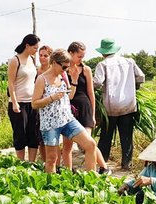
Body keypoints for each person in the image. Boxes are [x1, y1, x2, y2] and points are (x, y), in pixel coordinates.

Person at [32, 49, 96, 173]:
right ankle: (50, 188)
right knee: (52, 159)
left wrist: (75, 80)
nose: (66, 69)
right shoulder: (42, 79)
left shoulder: (63, 76)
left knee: (90, 144)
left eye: (67, 67)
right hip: (50, 124)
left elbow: (70, 96)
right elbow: (34, 103)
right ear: (54, 63)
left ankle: (91, 181)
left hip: (67, 119)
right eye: (64, 66)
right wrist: (52, 98)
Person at [93, 38, 145, 170]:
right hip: (128, 105)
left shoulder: (102, 64)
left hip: (111, 107)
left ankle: (102, 164)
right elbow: (141, 77)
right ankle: (126, 164)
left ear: (103, 52)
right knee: (126, 136)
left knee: (105, 136)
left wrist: (91, 90)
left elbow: (97, 82)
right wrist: (134, 88)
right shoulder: (129, 61)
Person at [62, 41, 110, 174]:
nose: (81, 59)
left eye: (83, 56)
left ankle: (103, 167)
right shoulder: (64, 70)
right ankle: (68, 171)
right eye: (79, 56)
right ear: (70, 53)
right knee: (67, 145)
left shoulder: (86, 69)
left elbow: (91, 93)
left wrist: (93, 114)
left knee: (88, 142)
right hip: (68, 109)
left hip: (84, 109)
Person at [8, 33, 40, 162]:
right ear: (27, 45)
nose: (36, 51)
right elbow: (10, 82)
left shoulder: (32, 60)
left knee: (33, 134)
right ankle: (21, 162)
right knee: (20, 134)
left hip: (32, 102)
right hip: (19, 103)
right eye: (35, 48)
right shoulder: (15, 60)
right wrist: (15, 102)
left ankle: (31, 162)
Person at [36, 45, 53, 162]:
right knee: (41, 139)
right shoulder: (36, 71)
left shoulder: (54, 71)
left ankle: (55, 164)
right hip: (39, 107)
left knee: (53, 139)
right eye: (40, 55)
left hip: (52, 109)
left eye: (45, 56)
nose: (42, 58)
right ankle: (44, 162)